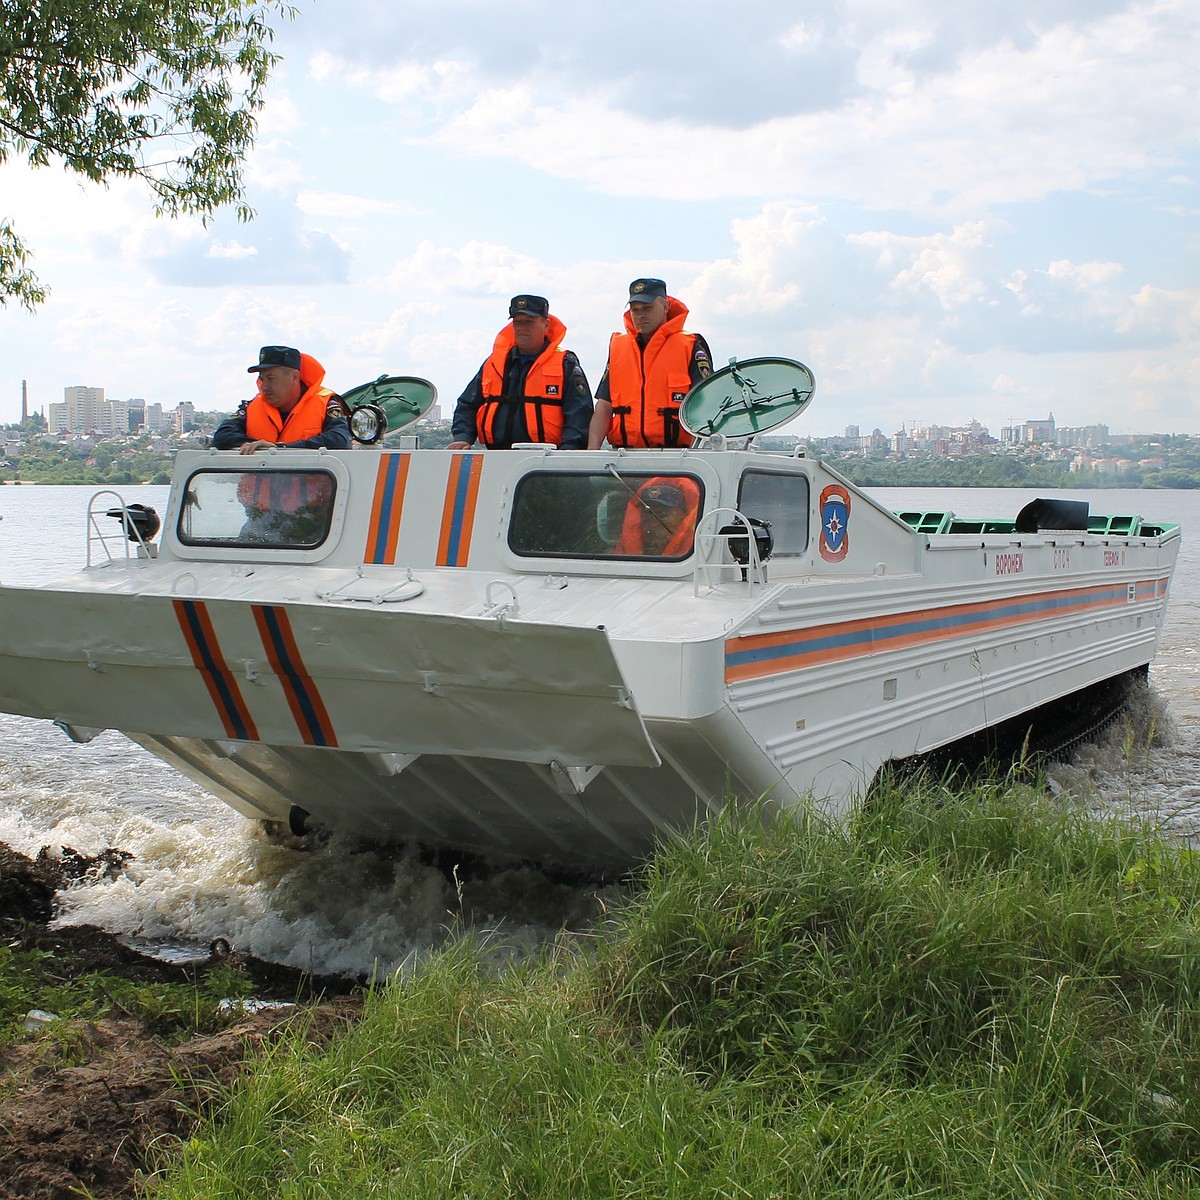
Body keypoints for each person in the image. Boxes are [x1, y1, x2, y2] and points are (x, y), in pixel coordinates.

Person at [449, 295, 593, 450]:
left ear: (546, 325)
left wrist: (568, 452)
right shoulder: (494, 364)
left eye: (529, 321)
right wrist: (463, 437)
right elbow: (467, 404)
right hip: (497, 456)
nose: (521, 327)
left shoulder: (565, 363)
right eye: (517, 322)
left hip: (546, 461)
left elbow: (580, 414)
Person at [588, 278, 713, 450]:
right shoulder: (619, 348)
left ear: (665, 306)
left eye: (647, 308)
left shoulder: (690, 346)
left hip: (677, 458)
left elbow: (706, 406)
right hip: (623, 458)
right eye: (635, 310)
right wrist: (591, 454)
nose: (640, 315)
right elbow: (603, 407)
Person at [212, 345, 351, 453]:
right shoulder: (253, 406)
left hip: (308, 490)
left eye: (271, 379)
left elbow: (339, 440)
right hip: (256, 491)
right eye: (262, 379)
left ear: (294, 377)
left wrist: (280, 448)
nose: (264, 386)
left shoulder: (326, 402)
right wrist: (255, 447)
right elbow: (223, 436)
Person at [614, 476, 701, 557]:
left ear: (683, 517)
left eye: (662, 516)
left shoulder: (699, 553)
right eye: (648, 516)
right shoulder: (620, 555)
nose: (653, 524)